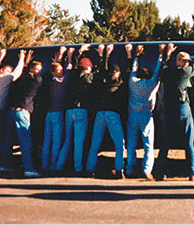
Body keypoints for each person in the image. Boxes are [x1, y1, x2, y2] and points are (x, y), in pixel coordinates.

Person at [155, 43, 194, 181]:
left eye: (187, 61)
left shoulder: (167, 72)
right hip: (182, 109)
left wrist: (167, 53)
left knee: (166, 142)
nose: (187, 63)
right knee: (189, 141)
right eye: (184, 61)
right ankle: (193, 172)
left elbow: (163, 68)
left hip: (168, 110)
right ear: (178, 61)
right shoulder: (184, 72)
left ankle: (159, 172)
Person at [125, 43, 170, 180]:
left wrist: (137, 56)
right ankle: (146, 169)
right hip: (146, 116)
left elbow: (133, 69)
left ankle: (129, 168)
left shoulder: (132, 82)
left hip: (132, 115)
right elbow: (157, 71)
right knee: (148, 144)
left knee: (131, 143)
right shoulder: (151, 84)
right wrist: (161, 54)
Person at [54, 44, 99, 174]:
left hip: (69, 111)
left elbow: (73, 66)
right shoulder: (89, 79)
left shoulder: (73, 76)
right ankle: (78, 168)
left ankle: (58, 165)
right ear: (89, 68)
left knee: (67, 140)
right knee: (78, 142)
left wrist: (79, 52)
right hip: (81, 111)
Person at [85, 44, 129, 178]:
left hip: (100, 114)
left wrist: (105, 54)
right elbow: (129, 70)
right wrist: (129, 54)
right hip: (113, 114)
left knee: (95, 144)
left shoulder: (102, 81)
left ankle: (89, 169)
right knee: (119, 145)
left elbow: (102, 70)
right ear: (118, 73)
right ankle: (119, 170)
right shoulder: (120, 83)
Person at [6, 51, 43, 178]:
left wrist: (24, 61)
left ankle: (4, 165)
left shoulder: (19, 78)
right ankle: (28, 169)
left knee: (8, 141)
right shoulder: (36, 81)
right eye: (37, 69)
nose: (39, 72)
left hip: (11, 111)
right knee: (26, 142)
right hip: (22, 112)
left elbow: (23, 73)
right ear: (33, 70)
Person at [40, 46, 73, 173]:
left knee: (47, 140)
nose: (61, 71)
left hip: (49, 113)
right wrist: (69, 56)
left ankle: (44, 164)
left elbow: (54, 69)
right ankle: (53, 165)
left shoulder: (49, 81)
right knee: (56, 140)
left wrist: (60, 56)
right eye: (59, 70)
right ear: (55, 72)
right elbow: (69, 69)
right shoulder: (62, 81)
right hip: (57, 114)